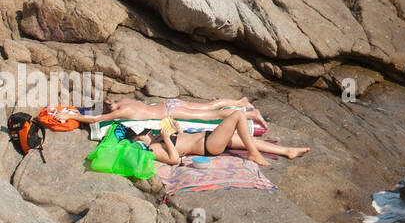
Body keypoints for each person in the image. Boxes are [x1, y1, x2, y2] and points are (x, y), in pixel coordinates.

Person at [138, 111, 308, 167]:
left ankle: (287, 150)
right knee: (238, 116)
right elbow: (174, 159)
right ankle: (254, 154)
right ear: (140, 142)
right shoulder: (154, 149)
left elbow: (182, 141)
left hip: (208, 137)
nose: (147, 134)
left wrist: (176, 130)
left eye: (146, 132)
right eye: (144, 135)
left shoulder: (159, 138)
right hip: (208, 145)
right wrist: (167, 139)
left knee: (245, 137)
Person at [68, 96, 268, 129]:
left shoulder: (123, 111)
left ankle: (249, 115)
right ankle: (240, 102)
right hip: (170, 103)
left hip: (172, 111)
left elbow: (97, 118)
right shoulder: (124, 101)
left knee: (212, 116)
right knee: (209, 105)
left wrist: (72, 116)